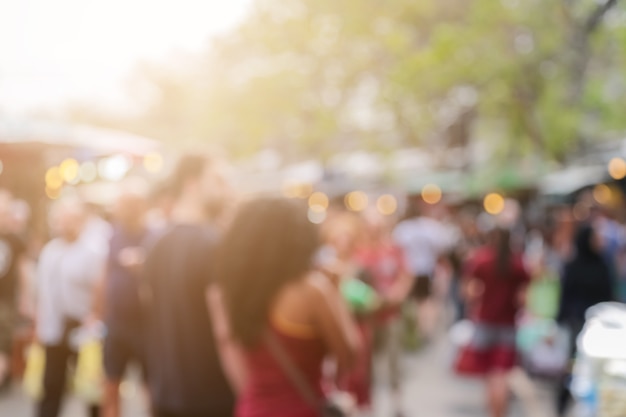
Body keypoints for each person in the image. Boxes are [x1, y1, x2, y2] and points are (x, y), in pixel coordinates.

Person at [213, 197, 360, 417]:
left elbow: (229, 346)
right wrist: (335, 289)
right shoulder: (310, 290)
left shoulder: (233, 291)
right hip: (301, 409)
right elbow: (349, 355)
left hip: (252, 408)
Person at [142, 154, 236, 417]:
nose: (226, 190)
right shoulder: (215, 244)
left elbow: (147, 312)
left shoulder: (155, 243)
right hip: (211, 398)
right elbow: (225, 330)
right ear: (192, 183)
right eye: (218, 181)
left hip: (166, 396)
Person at [36, 197, 107, 417]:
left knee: (90, 387)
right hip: (55, 326)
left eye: (70, 220)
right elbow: (44, 292)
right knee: (51, 384)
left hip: (82, 325)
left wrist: (95, 316)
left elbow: (100, 288)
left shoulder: (92, 252)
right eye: (61, 220)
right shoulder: (50, 251)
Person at [459, 227, 530, 417]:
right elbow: (523, 298)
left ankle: (493, 411)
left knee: (490, 375)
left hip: (484, 322)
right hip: (507, 324)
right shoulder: (517, 263)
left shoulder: (482, 259)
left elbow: (468, 290)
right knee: (502, 375)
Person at [98, 182, 151, 417]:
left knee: (150, 383)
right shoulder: (112, 236)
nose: (129, 209)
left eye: (133, 204)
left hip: (145, 323)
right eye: (125, 205)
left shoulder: (153, 236)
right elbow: (104, 275)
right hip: (116, 322)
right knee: (111, 383)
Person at [356, 211, 412, 417]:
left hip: (391, 315)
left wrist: (394, 296)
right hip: (367, 318)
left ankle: (397, 405)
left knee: (394, 362)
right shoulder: (359, 251)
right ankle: (369, 405)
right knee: (366, 365)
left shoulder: (393, 250)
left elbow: (406, 276)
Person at [555, 224, 614, 416]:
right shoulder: (578, 265)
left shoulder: (602, 265)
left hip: (595, 325)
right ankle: (563, 405)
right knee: (574, 367)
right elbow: (565, 296)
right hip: (578, 324)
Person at [393, 199, 454, 339]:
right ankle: (425, 330)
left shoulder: (402, 229)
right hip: (426, 269)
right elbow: (443, 249)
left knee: (412, 302)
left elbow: (397, 250)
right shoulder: (431, 226)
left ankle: (414, 330)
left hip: (409, 271)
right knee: (426, 301)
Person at [0, 190, 30, 392]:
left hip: (5, 304)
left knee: (3, 349)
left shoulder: (15, 240)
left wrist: (26, 300)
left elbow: (23, 271)